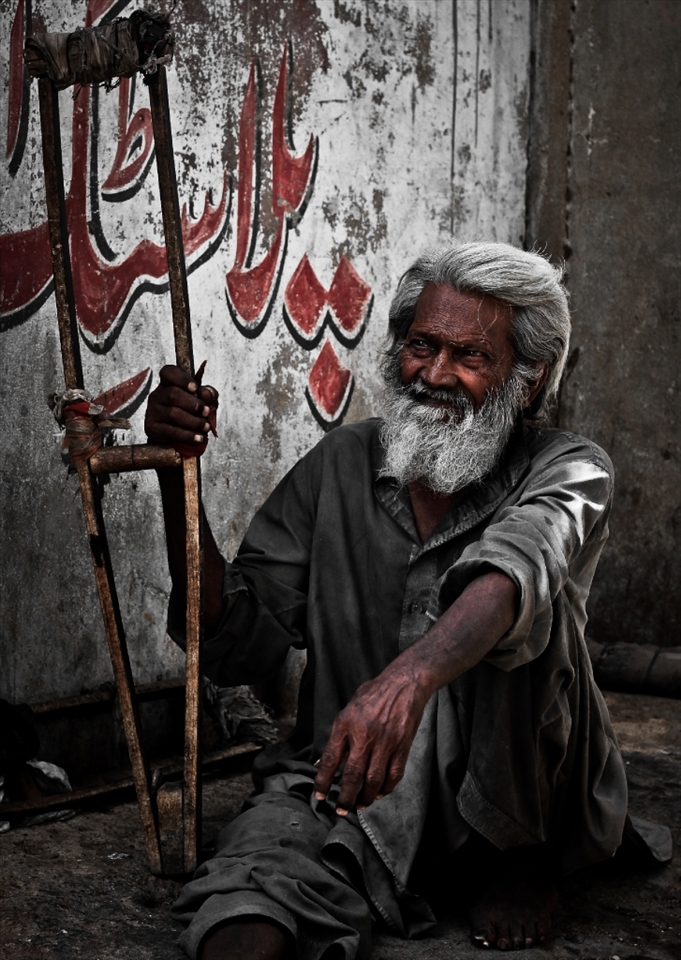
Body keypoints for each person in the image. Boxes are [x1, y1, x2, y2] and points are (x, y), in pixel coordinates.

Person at [144, 241, 629, 959]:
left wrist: (407, 679)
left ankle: (521, 859)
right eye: (419, 345)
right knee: (246, 897)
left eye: (467, 357)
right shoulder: (342, 463)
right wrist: (174, 476)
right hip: (345, 774)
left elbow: (516, 565)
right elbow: (236, 639)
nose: (432, 374)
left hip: (509, 794)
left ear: (525, 384)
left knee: (526, 602)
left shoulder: (570, 468)